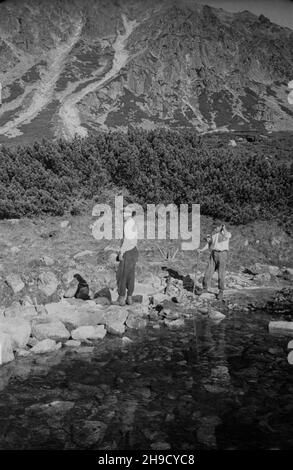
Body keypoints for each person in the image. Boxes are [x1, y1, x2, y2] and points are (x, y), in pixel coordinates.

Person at [198, 223, 231, 301]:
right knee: (208, 272)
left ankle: (221, 291)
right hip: (214, 253)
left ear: (220, 227)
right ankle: (205, 288)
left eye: (217, 227)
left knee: (221, 274)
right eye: (214, 227)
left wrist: (224, 228)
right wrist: (202, 250)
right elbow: (209, 244)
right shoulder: (214, 235)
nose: (215, 228)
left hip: (223, 254)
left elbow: (227, 235)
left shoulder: (227, 234)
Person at [114, 209, 138, 306]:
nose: (123, 215)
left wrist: (121, 252)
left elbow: (127, 240)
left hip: (128, 251)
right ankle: (129, 298)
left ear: (128, 215)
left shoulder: (128, 224)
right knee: (130, 275)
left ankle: (121, 298)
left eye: (124, 214)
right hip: (134, 251)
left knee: (122, 274)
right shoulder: (133, 223)